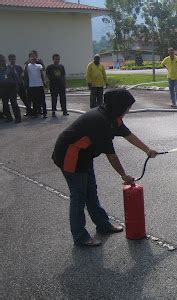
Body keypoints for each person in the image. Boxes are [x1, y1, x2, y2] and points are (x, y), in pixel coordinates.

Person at [52, 88, 158, 247]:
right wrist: (124, 175)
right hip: (70, 156)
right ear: (119, 106)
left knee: (91, 192)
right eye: (127, 107)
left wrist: (147, 150)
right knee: (79, 196)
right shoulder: (101, 121)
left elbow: (128, 135)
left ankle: (103, 225)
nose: (128, 110)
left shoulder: (113, 116)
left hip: (84, 156)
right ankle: (80, 237)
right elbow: (111, 155)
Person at [25, 51, 47, 118]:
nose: (34, 58)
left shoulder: (38, 65)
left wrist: (41, 62)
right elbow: (24, 73)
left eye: (35, 57)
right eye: (32, 57)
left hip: (39, 85)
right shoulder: (27, 66)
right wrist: (28, 62)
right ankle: (35, 113)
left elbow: (43, 69)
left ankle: (44, 113)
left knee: (42, 100)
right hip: (32, 86)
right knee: (34, 100)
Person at [0, 54, 21, 123]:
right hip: (3, 87)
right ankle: (9, 117)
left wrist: (17, 86)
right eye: (0, 61)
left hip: (12, 87)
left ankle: (18, 118)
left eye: (2, 60)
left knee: (13, 101)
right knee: (5, 103)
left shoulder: (10, 68)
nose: (1, 62)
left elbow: (16, 78)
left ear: (5, 60)